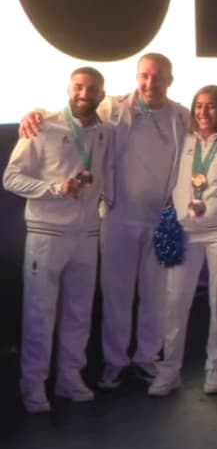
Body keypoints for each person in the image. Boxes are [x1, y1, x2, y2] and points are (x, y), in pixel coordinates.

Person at [18, 54, 191, 390]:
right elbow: (72, 110)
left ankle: (145, 360)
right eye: (144, 76)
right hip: (118, 217)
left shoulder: (181, 116)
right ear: (136, 77)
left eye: (157, 77)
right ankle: (115, 363)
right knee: (116, 295)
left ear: (170, 79)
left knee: (157, 295)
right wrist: (34, 113)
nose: (149, 83)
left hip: (164, 220)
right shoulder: (113, 107)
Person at [4, 67, 112, 413]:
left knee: (79, 312)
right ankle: (33, 385)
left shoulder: (105, 131)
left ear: (101, 92)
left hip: (87, 233)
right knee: (40, 312)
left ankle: (69, 378)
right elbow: (11, 177)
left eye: (92, 88)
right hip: (47, 233)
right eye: (79, 87)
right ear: (69, 89)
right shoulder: (43, 126)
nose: (85, 93)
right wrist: (53, 190)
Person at [148, 85, 217, 396]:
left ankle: (216, 370)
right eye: (199, 107)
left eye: (211, 107)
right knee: (174, 303)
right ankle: (169, 371)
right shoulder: (184, 143)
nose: (203, 113)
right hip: (185, 232)